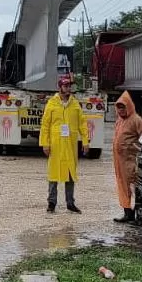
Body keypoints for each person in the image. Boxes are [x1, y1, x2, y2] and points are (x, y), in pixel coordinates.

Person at [39, 74, 88, 213]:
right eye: (65, 86)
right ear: (60, 87)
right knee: (54, 174)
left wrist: (85, 141)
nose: (68, 89)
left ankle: (70, 203)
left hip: (70, 145)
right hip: (56, 145)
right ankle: (51, 203)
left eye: (69, 86)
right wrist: (45, 143)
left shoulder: (75, 104)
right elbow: (45, 125)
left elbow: (82, 124)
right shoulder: (52, 103)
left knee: (70, 174)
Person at [111, 91, 142, 223]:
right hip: (120, 162)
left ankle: (140, 217)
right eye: (119, 107)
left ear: (129, 106)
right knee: (123, 187)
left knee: (136, 188)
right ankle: (128, 213)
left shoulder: (137, 120)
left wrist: (136, 149)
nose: (121, 110)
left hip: (132, 161)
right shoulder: (119, 121)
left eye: (123, 107)